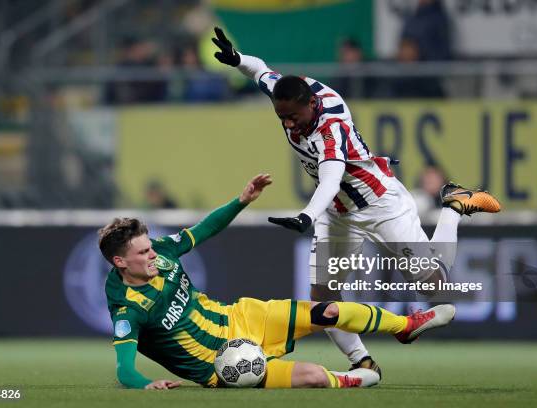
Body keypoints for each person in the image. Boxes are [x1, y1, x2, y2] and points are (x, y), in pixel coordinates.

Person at [211, 27, 500, 378]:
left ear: (311, 104)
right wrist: (238, 59)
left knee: (435, 285)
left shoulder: (331, 127)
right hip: (338, 213)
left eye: (293, 117)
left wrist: (306, 216)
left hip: (379, 203)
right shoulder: (288, 94)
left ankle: (453, 206)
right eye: (281, 116)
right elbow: (260, 71)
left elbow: (331, 179)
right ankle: (362, 362)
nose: (288, 123)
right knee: (322, 299)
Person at [100, 174, 456, 389]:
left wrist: (241, 201)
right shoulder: (128, 309)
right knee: (315, 378)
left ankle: (407, 325)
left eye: (149, 248)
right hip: (221, 364)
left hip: (239, 318)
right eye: (142, 253)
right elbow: (124, 368)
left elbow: (204, 230)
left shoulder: (161, 253)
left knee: (327, 310)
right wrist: (148, 385)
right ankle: (356, 376)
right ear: (119, 262)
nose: (151, 256)